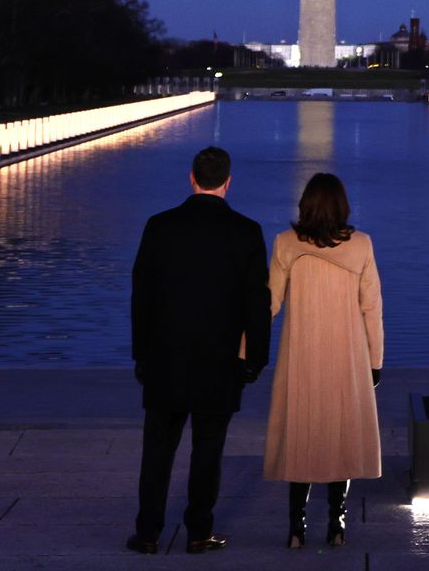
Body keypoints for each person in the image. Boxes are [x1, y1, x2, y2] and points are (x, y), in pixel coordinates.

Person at [127, 146, 271, 555]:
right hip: (219, 360)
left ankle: (149, 532)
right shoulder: (246, 231)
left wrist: (141, 354)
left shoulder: (159, 226)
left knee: (157, 450)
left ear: (192, 178)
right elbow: (256, 303)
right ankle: (198, 531)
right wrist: (255, 358)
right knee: (208, 450)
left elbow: (142, 297)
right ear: (228, 182)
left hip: (165, 357)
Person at [263, 173, 383, 549]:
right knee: (340, 438)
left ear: (305, 205)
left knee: (301, 437)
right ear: (343, 206)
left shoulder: (285, 244)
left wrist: (242, 349)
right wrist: (375, 361)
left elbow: (269, 304)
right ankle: (337, 523)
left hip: (301, 356)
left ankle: (296, 527)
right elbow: (372, 310)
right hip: (346, 358)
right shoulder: (361, 245)